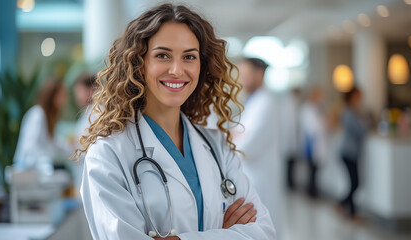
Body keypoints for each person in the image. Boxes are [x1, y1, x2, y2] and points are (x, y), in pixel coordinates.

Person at [75, 4, 276, 240]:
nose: (177, 70)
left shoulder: (216, 145)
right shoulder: (108, 154)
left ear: (201, 66)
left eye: (189, 57)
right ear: (138, 64)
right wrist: (223, 234)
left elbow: (263, 232)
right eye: (163, 55)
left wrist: (179, 239)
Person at [232, 57, 283, 238]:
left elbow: (246, 145)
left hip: (260, 177)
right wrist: (235, 134)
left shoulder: (265, 103)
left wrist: (234, 135)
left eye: (246, 74)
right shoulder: (252, 101)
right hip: (251, 175)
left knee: (262, 226)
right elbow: (235, 134)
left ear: (260, 74)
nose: (241, 79)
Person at [14, 77, 70, 170]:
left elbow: (52, 144)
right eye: (62, 95)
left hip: (36, 170)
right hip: (28, 170)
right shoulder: (37, 114)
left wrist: (70, 148)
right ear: (52, 96)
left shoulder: (48, 117)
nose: (65, 99)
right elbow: (31, 148)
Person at [336, 87, 368, 220]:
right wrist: (366, 125)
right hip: (348, 152)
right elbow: (358, 130)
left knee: (354, 183)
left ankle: (345, 207)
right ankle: (348, 210)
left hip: (351, 153)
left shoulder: (354, 111)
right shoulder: (349, 112)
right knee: (355, 183)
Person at [299, 87, 327, 198]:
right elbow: (311, 128)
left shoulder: (316, 109)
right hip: (310, 144)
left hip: (315, 143)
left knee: (314, 170)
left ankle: (313, 190)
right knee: (311, 170)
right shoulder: (307, 109)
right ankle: (311, 191)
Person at [74, 73, 96, 139]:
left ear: (92, 89)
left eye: (79, 90)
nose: (77, 95)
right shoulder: (88, 111)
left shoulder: (96, 113)